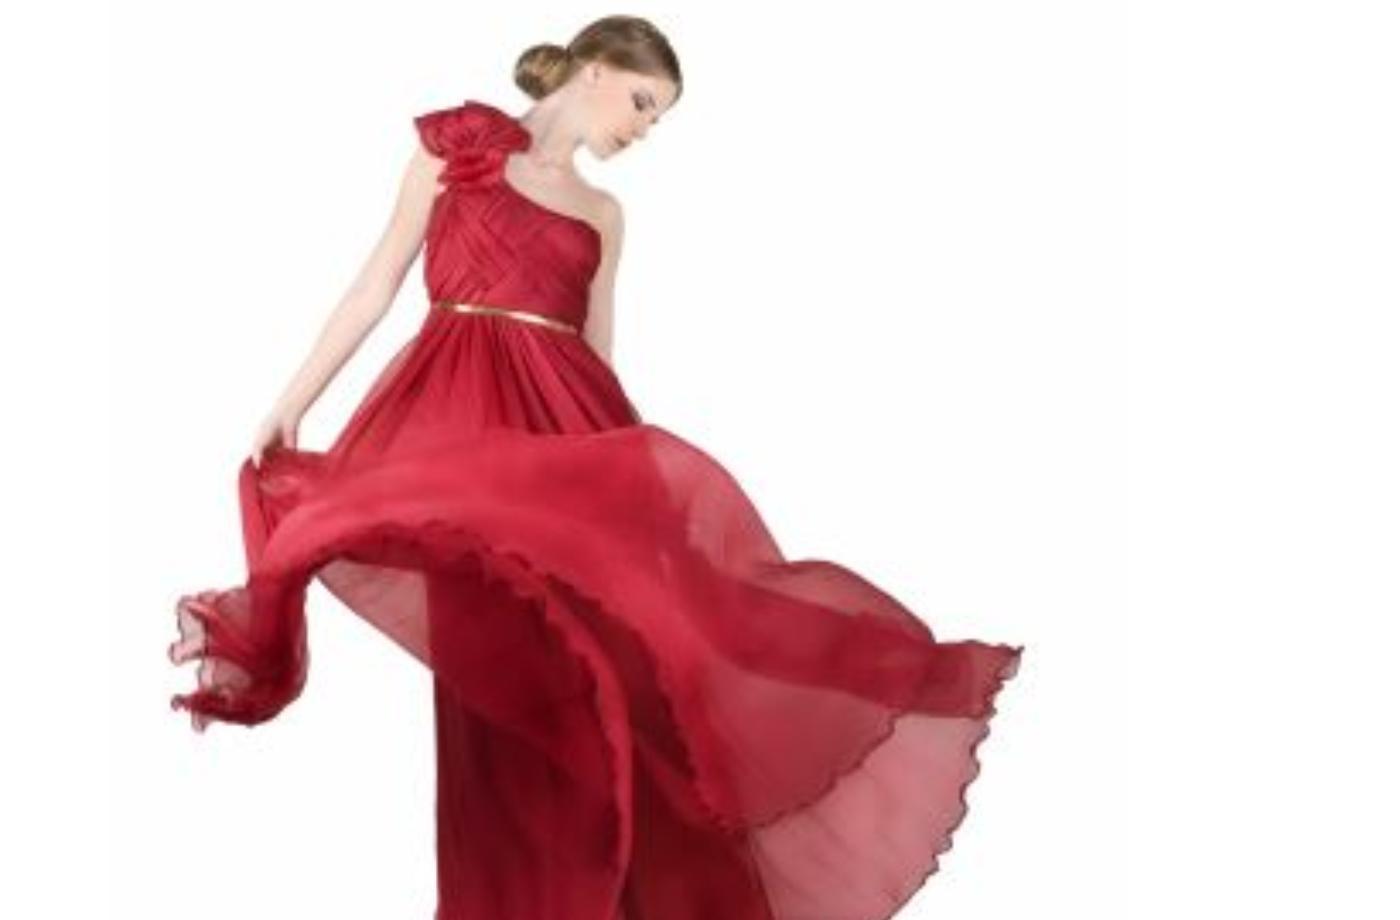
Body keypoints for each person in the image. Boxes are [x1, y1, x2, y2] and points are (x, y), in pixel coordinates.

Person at [168, 14, 1024, 920]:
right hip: (457, 445)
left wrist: (630, 489)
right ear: (596, 69)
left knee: (631, 669)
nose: (644, 129)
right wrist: (293, 400)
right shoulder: (455, 149)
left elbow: (597, 354)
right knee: (494, 698)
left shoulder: (605, 214)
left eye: (659, 118)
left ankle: (888, 683)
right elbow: (374, 284)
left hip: (563, 448)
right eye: (644, 103)